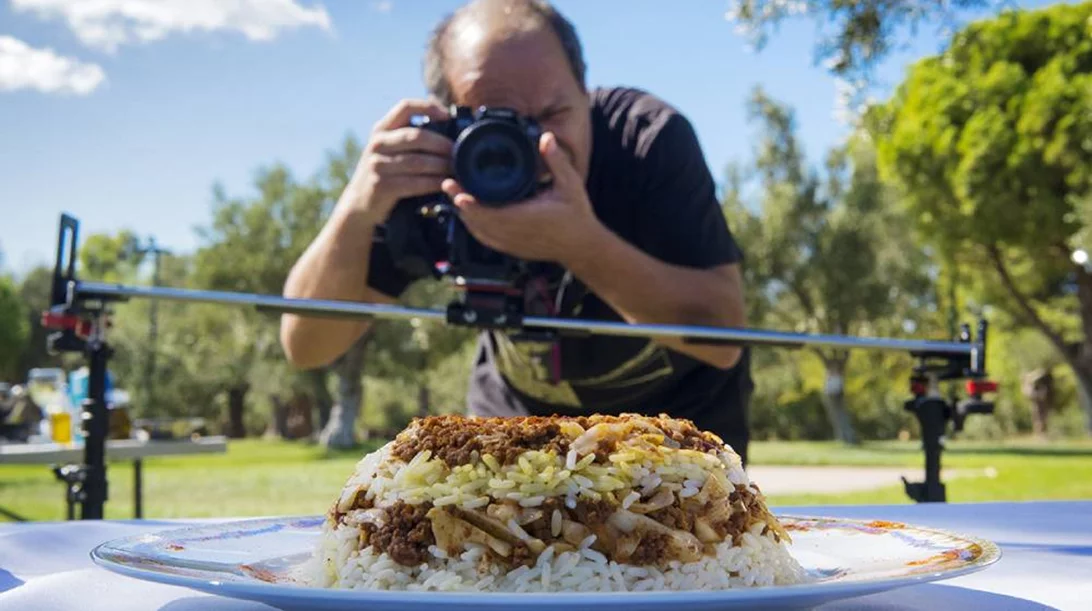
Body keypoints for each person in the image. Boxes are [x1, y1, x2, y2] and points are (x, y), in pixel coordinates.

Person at [280, 0, 754, 463]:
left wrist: (581, 245)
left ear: (585, 92)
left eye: (553, 114)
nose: (533, 146)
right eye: (494, 124)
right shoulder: (431, 176)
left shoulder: (646, 139)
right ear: (449, 121)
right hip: (516, 430)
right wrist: (358, 206)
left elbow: (722, 337)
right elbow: (308, 343)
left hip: (679, 429)